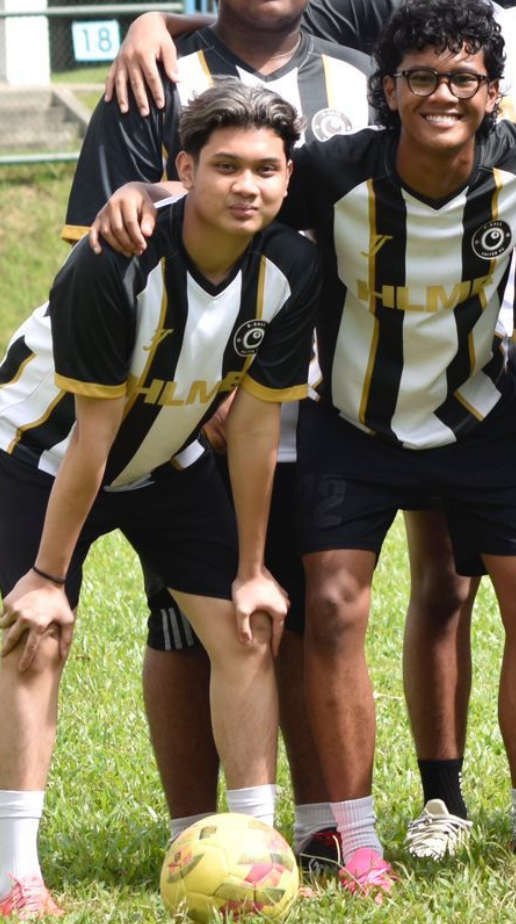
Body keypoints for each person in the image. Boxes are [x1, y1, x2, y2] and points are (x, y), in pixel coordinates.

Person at [97, 0, 516, 853]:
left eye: (462, 80)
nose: (441, 94)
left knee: (489, 599)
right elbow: (158, 220)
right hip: (282, 410)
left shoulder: (480, 129)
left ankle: (466, 826)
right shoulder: (249, 126)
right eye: (420, 79)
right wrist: (155, 24)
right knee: (267, 612)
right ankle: (284, 833)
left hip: (436, 398)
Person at [61, 0, 369, 868]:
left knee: (314, 606)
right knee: (187, 618)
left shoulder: (360, 79)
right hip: (187, 406)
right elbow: (99, 247)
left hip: (322, 399)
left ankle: (324, 825)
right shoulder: (156, 77)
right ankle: (195, 834)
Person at [1, 84, 321, 917]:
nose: (246, 186)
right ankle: (16, 872)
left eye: (264, 169)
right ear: (182, 169)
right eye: (224, 167)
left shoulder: (291, 266)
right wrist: (46, 576)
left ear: (288, 179)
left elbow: (254, 428)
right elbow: (90, 439)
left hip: (167, 465)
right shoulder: (117, 260)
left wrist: (252, 568)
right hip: (36, 460)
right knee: (31, 643)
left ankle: (254, 851)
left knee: (249, 626)